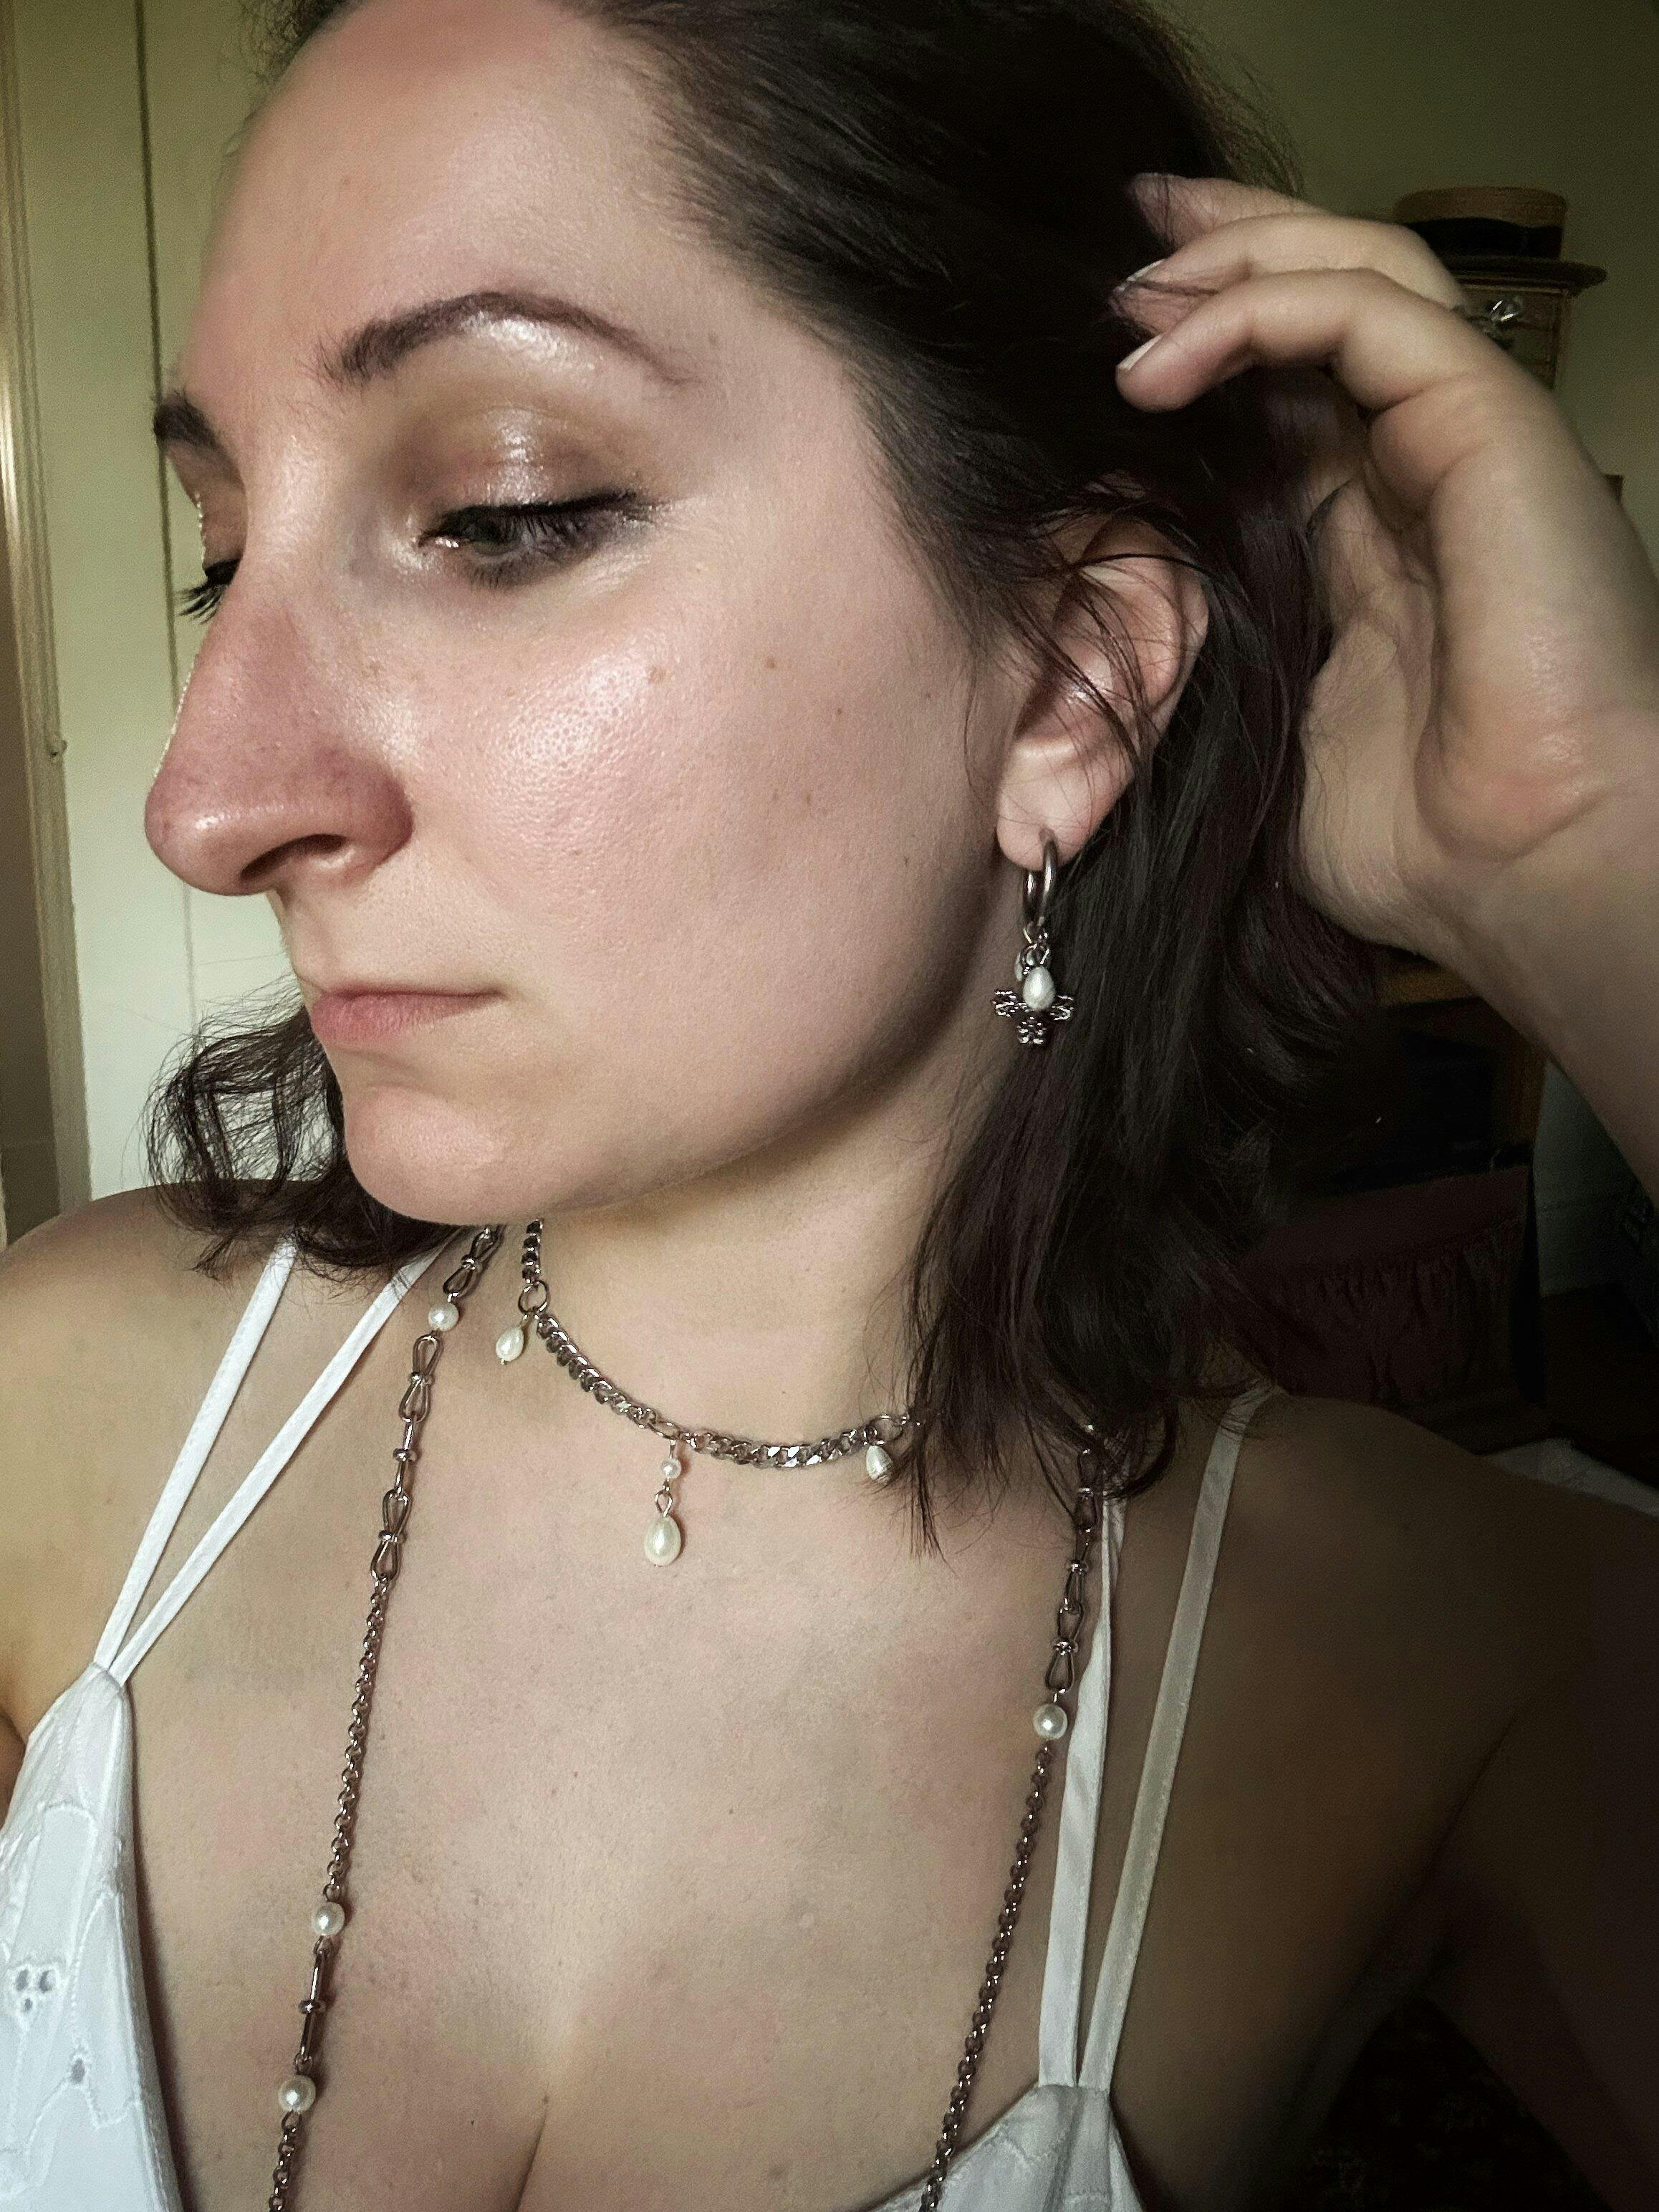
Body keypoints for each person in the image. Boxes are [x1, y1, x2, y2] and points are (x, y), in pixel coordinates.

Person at [1, 0, 1655, 2206]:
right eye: (223, 547)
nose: (208, 804)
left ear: (1068, 680)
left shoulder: (1428, 1654)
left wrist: (1587, 854)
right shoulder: (66, 1412)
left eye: (502, 511)